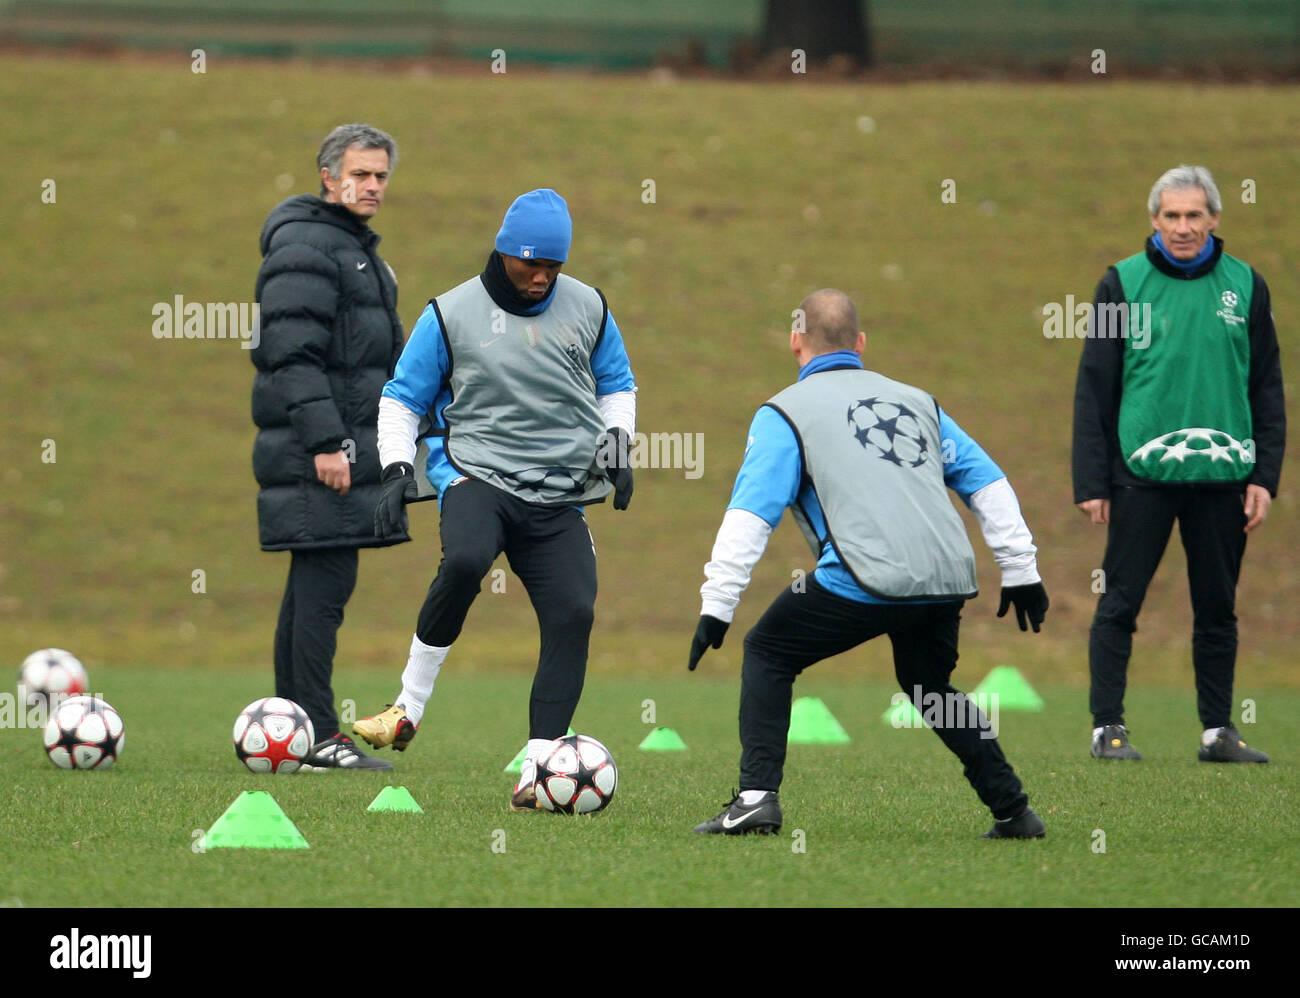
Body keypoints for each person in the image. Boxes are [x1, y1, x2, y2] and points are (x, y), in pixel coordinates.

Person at [689, 289, 1049, 838]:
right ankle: (1014, 811)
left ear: (795, 342)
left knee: (768, 652)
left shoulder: (783, 412)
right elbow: (988, 481)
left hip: (862, 579)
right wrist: (1021, 568)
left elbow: (751, 513)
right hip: (945, 580)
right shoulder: (919, 401)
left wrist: (717, 604)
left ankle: (757, 798)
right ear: (860, 343)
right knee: (929, 688)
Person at [353, 188, 637, 808]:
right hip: (475, 473)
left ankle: (538, 772)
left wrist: (618, 442)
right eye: (530, 264)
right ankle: (408, 706)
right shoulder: (451, 313)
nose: (541, 277)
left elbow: (617, 380)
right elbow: (401, 397)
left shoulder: (588, 305)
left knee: (574, 612)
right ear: (503, 252)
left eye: (553, 267)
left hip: (559, 490)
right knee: (464, 560)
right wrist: (398, 467)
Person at [1073, 165, 1284, 763]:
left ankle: (1218, 732)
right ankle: (1107, 728)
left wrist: (1264, 475)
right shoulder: (1122, 284)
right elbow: (1096, 385)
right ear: (1155, 220)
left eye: (1195, 216)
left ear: (1215, 219)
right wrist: (1093, 480)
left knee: (1217, 611)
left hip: (1224, 480)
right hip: (1141, 477)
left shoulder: (1246, 285)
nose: (1183, 227)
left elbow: (1267, 385)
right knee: (1119, 604)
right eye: (1172, 216)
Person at [251, 123, 408, 771]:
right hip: (323, 450)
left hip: (340, 446)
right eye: (361, 174)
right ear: (327, 176)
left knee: (313, 582)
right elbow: (290, 352)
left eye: (381, 176)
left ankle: (291, 729)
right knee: (325, 584)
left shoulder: (346, 244)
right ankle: (316, 735)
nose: (372, 186)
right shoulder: (311, 244)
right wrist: (326, 443)